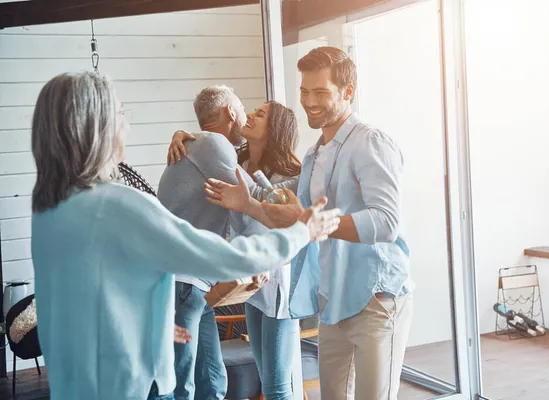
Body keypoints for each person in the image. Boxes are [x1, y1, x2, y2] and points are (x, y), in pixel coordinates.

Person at [29, 71, 341, 400]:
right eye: (121, 114)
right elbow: (225, 257)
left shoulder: (49, 211)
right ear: (97, 128)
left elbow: (93, 294)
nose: (127, 125)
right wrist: (301, 232)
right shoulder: (115, 204)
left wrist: (148, 326)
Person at [203, 46, 414, 400]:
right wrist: (249, 204)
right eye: (304, 91)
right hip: (333, 301)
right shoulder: (315, 155)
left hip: (377, 300)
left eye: (321, 92)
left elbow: (386, 221)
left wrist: (305, 219)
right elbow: (288, 214)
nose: (309, 101)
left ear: (348, 92)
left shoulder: (370, 142)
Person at [167, 100, 302, 400]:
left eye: (260, 114)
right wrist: (181, 135)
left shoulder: (289, 176)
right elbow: (206, 146)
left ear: (275, 128)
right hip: (249, 286)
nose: (251, 115)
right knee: (265, 378)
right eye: (252, 111)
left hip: (276, 282)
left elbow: (290, 226)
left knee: (278, 387)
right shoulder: (236, 166)